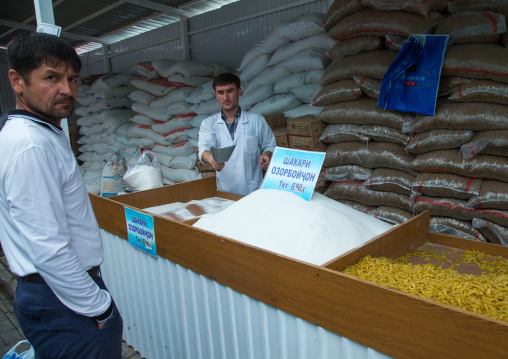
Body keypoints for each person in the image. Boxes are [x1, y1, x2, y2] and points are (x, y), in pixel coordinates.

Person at [0, 32, 123, 358]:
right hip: (62, 299)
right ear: (17, 80)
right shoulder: (31, 145)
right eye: (51, 77)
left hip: (53, 295)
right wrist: (99, 308)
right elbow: (49, 248)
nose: (67, 89)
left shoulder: (36, 132)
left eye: (72, 78)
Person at [198, 73, 276, 196]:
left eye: (230, 91)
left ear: (239, 91)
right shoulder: (209, 124)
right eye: (221, 93)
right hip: (225, 192)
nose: (226, 97)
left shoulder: (256, 120)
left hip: (253, 191)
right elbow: (204, 149)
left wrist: (267, 155)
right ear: (215, 95)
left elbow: (270, 145)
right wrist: (212, 160)